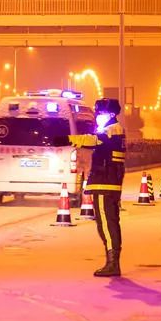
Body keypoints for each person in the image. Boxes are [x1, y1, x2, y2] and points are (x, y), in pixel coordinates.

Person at [68, 98, 125, 277]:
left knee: (106, 224)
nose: (98, 116)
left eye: (100, 113)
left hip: (105, 183)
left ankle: (113, 264)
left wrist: (67, 138)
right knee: (109, 223)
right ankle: (112, 262)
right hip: (108, 182)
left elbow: (92, 140)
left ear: (110, 114)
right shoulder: (113, 129)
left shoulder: (111, 130)